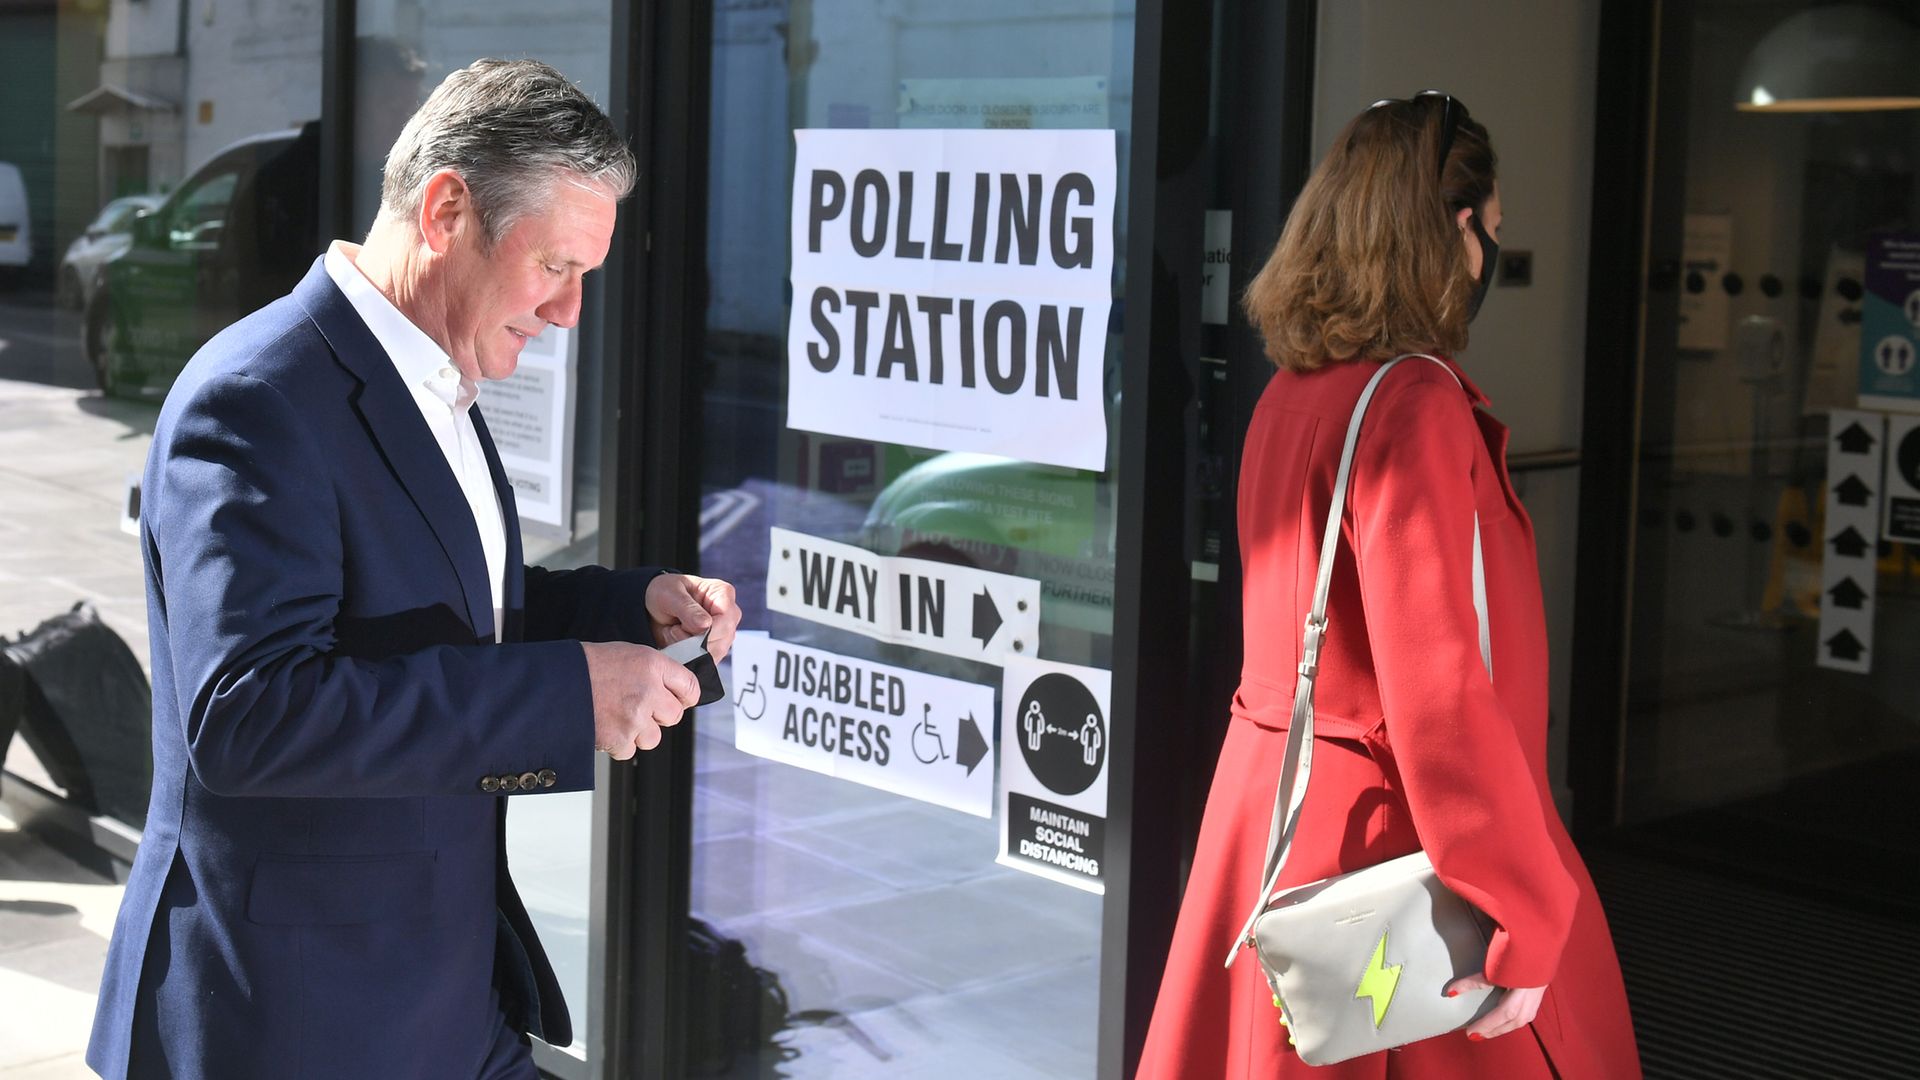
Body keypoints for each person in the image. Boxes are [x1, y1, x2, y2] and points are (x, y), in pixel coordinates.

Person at [86, 59, 741, 1080]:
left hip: (440, 999)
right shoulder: (257, 398)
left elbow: (439, 617)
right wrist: (567, 694)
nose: (571, 313)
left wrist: (627, 612)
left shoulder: (438, 373)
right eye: (557, 267)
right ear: (446, 211)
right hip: (297, 1019)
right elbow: (250, 714)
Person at [1139, 92, 1640, 1078]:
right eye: (1491, 229)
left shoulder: (1292, 392)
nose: (1491, 254)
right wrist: (1519, 905)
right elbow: (1441, 687)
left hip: (1275, 814)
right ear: (1454, 231)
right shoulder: (1414, 401)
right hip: (1389, 837)